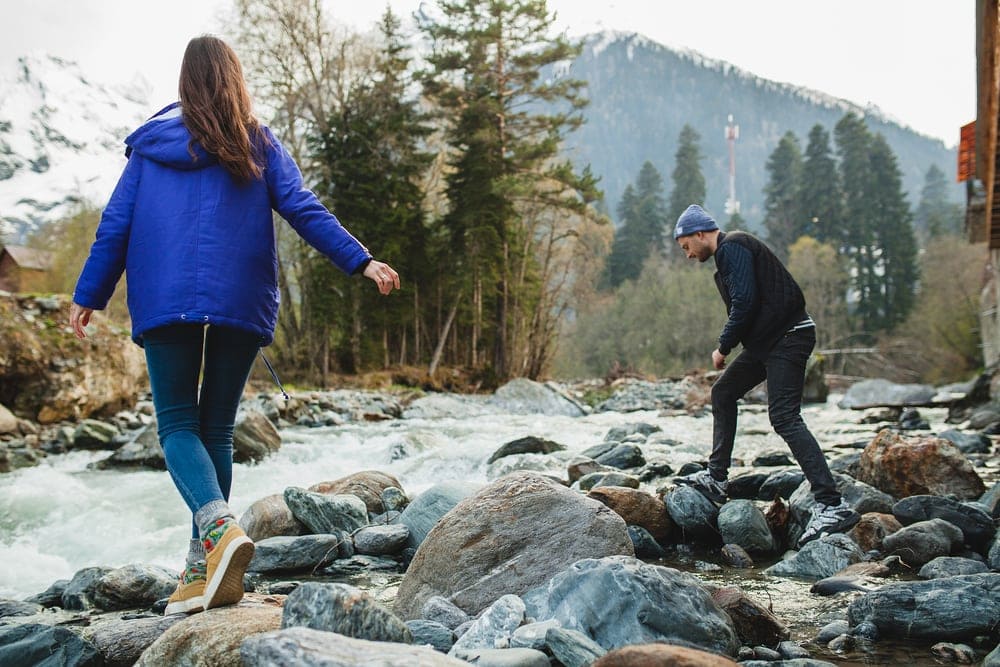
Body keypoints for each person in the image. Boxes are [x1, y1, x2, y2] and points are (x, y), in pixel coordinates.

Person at [69, 35, 400, 616]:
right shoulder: (258, 142)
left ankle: (216, 531)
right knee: (216, 427)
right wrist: (361, 259)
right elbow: (303, 206)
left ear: (185, 82)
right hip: (241, 295)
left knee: (176, 423)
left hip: (166, 295)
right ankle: (204, 571)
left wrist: (88, 295)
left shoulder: (148, 149)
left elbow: (114, 226)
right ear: (235, 80)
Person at [671, 204, 858, 547]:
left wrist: (723, 347)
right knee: (723, 393)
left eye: (686, 246)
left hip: (789, 336)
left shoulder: (733, 246)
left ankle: (833, 505)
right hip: (768, 342)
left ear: (700, 234)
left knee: (784, 417)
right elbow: (748, 305)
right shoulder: (724, 263)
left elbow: (745, 302)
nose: (687, 255)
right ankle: (716, 478)